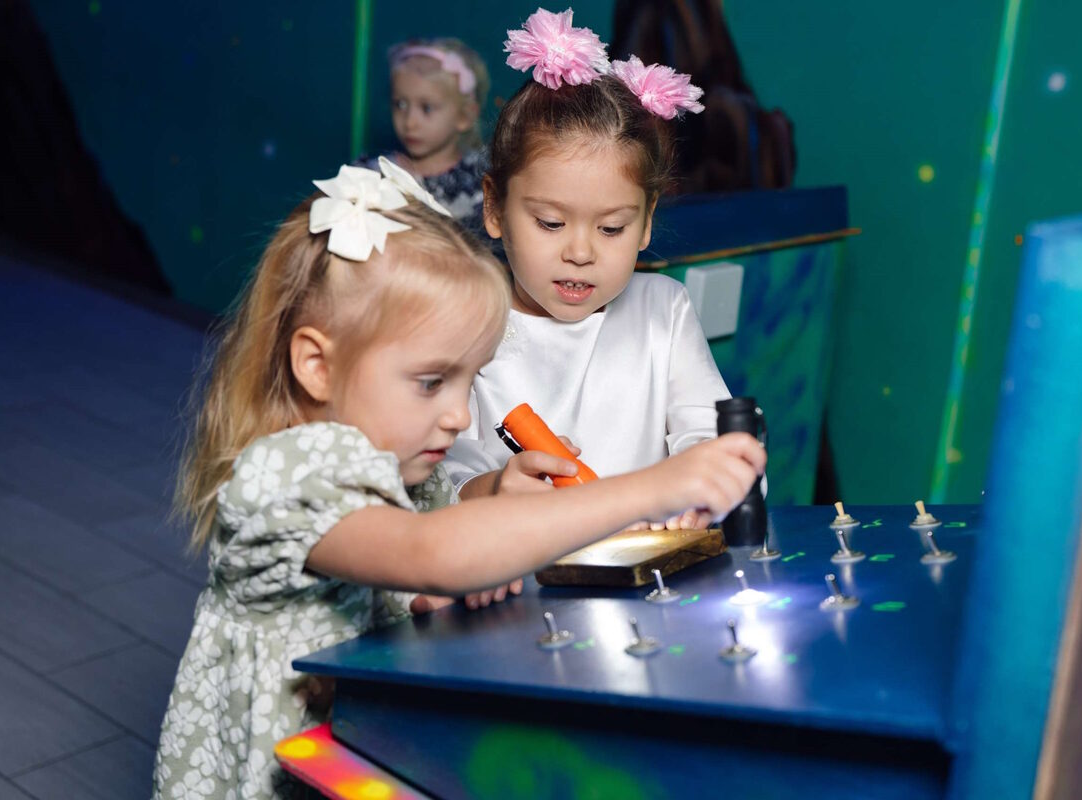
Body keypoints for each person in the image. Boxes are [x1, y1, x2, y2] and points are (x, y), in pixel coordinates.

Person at [151, 158, 765, 799]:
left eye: (468, 380)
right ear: (316, 365)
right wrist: (656, 486)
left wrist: (469, 551)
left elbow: (431, 569)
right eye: (430, 382)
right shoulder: (284, 476)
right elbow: (432, 553)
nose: (460, 415)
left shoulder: (406, 472)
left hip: (362, 741)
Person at [446, 9, 730, 530]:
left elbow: (710, 434)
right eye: (551, 223)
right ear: (494, 208)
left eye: (612, 228)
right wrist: (493, 489)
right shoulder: (463, 320)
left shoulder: (663, 311)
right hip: (514, 566)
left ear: (646, 222)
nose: (580, 252)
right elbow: (435, 470)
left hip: (645, 565)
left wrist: (698, 492)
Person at [355, 37, 489, 237]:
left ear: (464, 116)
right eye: (400, 104)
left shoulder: (481, 182)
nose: (410, 122)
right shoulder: (370, 174)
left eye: (426, 108)